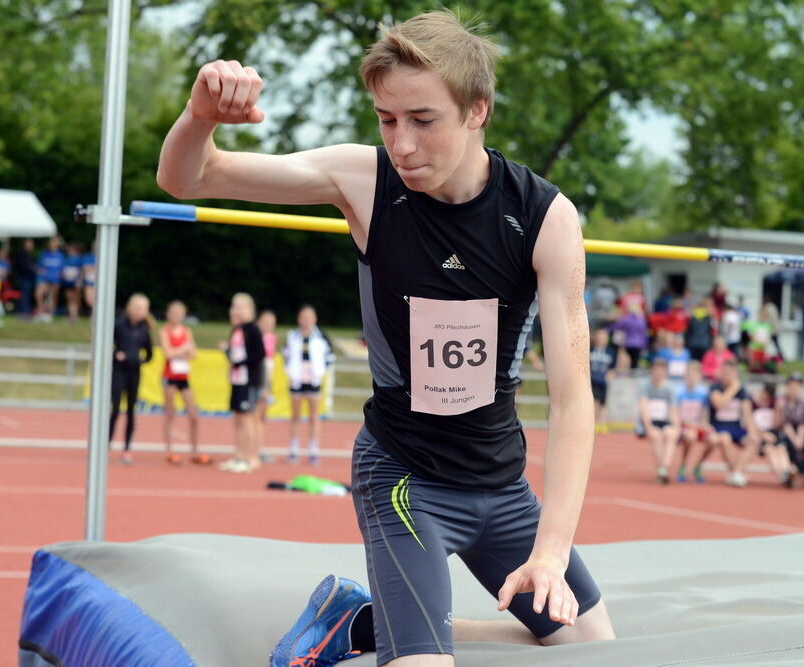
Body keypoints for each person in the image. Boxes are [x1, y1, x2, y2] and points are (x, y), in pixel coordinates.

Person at [158, 11, 614, 666]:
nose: (401, 143)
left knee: (595, 648)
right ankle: (408, 637)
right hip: (406, 476)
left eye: (422, 120)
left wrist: (550, 550)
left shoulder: (544, 217)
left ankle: (363, 623)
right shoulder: (364, 182)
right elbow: (189, 179)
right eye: (386, 119)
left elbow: (573, 400)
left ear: (476, 111)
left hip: (500, 484)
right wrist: (199, 114)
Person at [220, 292, 266, 473]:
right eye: (234, 306)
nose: (235, 310)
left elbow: (259, 353)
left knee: (248, 418)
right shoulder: (236, 330)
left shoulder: (252, 329)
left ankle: (250, 457)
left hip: (249, 380)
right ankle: (239, 455)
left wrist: (239, 363)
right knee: (238, 418)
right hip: (237, 380)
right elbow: (234, 354)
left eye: (240, 307)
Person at [284, 305, 333, 465]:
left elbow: (329, 356)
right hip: (297, 380)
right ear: (298, 319)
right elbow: (286, 355)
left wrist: (320, 372)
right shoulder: (292, 336)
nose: (305, 321)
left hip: (313, 380)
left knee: (314, 417)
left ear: (314, 319)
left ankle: (313, 451)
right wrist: (290, 372)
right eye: (303, 317)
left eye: (309, 317)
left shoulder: (321, 336)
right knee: (295, 416)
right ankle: (293, 450)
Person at [109, 293, 153, 465]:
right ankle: (106, 445)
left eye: (143, 308)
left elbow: (149, 354)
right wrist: (116, 354)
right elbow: (107, 345)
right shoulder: (119, 325)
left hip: (134, 372)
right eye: (137, 307)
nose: (139, 311)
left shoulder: (144, 329)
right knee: (115, 409)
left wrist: (140, 360)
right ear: (129, 307)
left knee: (131, 411)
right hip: (119, 371)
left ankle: (127, 448)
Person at [160, 300, 204, 465]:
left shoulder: (186, 331)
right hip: (170, 376)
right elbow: (168, 353)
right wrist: (183, 350)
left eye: (179, 314)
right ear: (168, 314)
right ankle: (169, 450)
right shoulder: (164, 331)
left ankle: (194, 450)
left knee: (193, 415)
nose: (176, 316)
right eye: (173, 313)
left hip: (184, 376)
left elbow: (194, 354)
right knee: (170, 413)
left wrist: (181, 352)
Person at [708, 360, 758, 487]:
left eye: (731, 373)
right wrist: (733, 388)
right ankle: (736, 472)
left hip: (736, 427)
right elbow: (719, 404)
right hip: (719, 426)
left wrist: (752, 432)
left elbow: (747, 414)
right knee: (725, 439)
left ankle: (736, 472)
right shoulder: (715, 387)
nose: (728, 376)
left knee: (753, 441)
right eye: (726, 373)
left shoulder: (742, 391)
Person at [639, 359, 679, 484]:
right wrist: (648, 427)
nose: (658, 375)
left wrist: (676, 427)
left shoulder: (670, 388)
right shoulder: (645, 387)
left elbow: (673, 410)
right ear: (652, 372)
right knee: (656, 435)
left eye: (661, 372)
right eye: (656, 372)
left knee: (670, 433)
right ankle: (661, 469)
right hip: (650, 421)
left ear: (665, 373)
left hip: (665, 421)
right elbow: (644, 408)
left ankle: (664, 468)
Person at [675, 361, 712, 483]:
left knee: (714, 439)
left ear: (699, 377)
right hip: (683, 427)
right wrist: (689, 424)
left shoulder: (703, 393)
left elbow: (704, 414)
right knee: (690, 436)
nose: (691, 378)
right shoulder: (678, 392)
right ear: (685, 376)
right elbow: (677, 415)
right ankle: (683, 466)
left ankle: (698, 466)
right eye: (689, 375)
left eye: (694, 375)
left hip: (697, 426)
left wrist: (704, 425)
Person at [749, 384, 791, 485]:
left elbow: (776, 424)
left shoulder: (773, 405)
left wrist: (779, 409)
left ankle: (788, 472)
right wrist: (762, 434)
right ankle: (782, 475)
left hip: (772, 433)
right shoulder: (752, 404)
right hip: (760, 435)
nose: (764, 397)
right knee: (769, 450)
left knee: (781, 449)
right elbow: (750, 424)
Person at [778, 372, 804, 488]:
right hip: (785, 431)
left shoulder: (803, 403)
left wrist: (800, 438)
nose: (794, 390)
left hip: (798, 430)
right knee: (790, 443)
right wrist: (795, 439)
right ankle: (797, 471)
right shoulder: (782, 402)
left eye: (797, 387)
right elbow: (784, 423)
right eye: (792, 387)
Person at [255, 309, 278, 461]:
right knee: (255, 416)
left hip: (266, 381)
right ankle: (253, 448)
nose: (268, 325)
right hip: (257, 381)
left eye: (271, 323)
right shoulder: (255, 338)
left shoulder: (271, 338)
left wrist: (268, 385)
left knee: (262, 417)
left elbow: (270, 362)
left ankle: (259, 447)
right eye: (265, 322)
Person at [589, 328, 616, 435]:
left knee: (603, 404)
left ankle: (601, 423)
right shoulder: (590, 350)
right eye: (599, 338)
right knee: (594, 402)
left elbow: (612, 367)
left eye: (603, 338)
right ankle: (593, 423)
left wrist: (611, 374)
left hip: (603, 382)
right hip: (593, 380)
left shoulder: (611, 352)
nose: (601, 340)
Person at [35, 237, 64, 321]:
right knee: (39, 293)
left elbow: (62, 269)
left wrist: (58, 276)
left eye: (54, 243)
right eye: (51, 243)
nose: (52, 245)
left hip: (55, 279)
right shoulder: (44, 254)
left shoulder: (60, 255)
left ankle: (50, 313)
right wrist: (40, 271)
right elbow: (39, 266)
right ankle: (41, 311)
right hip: (44, 278)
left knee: (52, 297)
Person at [609, 303, 647, 369]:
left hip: (629, 343)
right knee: (635, 361)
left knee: (628, 360)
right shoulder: (642, 320)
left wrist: (607, 328)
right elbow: (643, 332)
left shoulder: (626, 319)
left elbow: (616, 326)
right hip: (639, 344)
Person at [684, 297, 715, 362]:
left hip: (694, 342)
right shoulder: (709, 316)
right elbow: (712, 331)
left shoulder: (693, 314)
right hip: (703, 343)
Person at [13, 239, 37, 318]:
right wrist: (34, 270)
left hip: (26, 279)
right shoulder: (23, 254)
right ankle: (23, 313)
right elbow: (24, 268)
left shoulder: (28, 254)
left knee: (26, 296)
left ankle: (24, 311)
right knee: (24, 296)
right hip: (24, 278)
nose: (32, 245)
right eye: (30, 244)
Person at [60, 242, 83, 322]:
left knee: (76, 299)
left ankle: (75, 316)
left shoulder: (80, 259)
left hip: (76, 281)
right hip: (67, 281)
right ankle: (71, 316)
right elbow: (63, 270)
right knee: (69, 299)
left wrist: (79, 279)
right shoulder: (66, 259)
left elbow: (82, 270)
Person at [82, 242, 97, 314]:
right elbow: (85, 269)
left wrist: (91, 268)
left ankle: (94, 314)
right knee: (88, 299)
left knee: (97, 299)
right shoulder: (88, 257)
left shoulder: (103, 256)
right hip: (89, 281)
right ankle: (95, 312)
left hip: (98, 282)